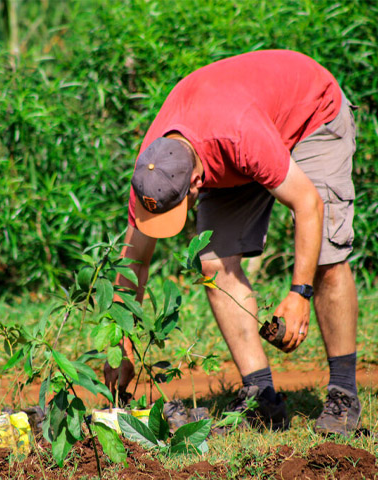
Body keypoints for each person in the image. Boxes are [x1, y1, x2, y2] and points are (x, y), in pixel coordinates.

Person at [105, 49, 360, 436]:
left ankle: (344, 394)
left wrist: (298, 294)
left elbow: (308, 204)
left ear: (194, 183)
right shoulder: (153, 168)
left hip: (311, 114)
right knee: (213, 263)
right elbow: (134, 261)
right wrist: (119, 343)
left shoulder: (238, 136)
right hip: (241, 134)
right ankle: (262, 398)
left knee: (326, 257)